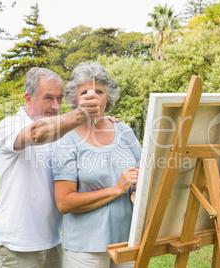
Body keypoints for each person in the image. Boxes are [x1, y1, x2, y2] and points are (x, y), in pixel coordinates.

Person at [0, 67, 102, 268]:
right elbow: (37, 134)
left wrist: (105, 124)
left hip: (53, 242)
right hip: (18, 246)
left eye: (59, 98)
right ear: (28, 98)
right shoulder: (9, 125)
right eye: (48, 98)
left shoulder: (63, 132)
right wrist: (81, 114)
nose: (55, 105)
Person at [52, 62, 142, 268]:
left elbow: (144, 174)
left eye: (99, 91)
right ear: (76, 99)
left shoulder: (124, 131)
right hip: (85, 248)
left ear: (107, 97)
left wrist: (137, 188)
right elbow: (64, 203)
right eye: (85, 92)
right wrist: (117, 189)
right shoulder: (66, 140)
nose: (92, 96)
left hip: (127, 242)